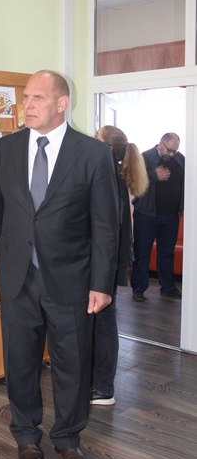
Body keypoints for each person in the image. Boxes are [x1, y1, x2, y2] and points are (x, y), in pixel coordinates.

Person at [0, 70, 119, 459]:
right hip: (17, 277)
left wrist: (102, 284)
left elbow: (106, 226)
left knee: (73, 364)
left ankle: (68, 439)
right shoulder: (6, 148)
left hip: (72, 280)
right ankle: (26, 436)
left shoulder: (92, 154)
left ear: (61, 103)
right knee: (20, 361)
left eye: (38, 97)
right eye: (25, 97)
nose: (28, 105)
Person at [91, 126, 149, 405]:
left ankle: (104, 388)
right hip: (108, 261)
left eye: (95, 137)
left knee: (104, 322)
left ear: (105, 148)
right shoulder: (114, 177)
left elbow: (109, 230)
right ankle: (99, 383)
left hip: (106, 263)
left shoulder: (111, 181)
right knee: (101, 321)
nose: (90, 141)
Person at [130, 133, 185, 302]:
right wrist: (154, 176)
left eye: (175, 151)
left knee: (167, 254)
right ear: (161, 143)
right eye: (169, 150)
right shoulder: (145, 158)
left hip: (171, 216)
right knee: (142, 253)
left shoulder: (180, 159)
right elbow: (133, 182)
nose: (171, 154)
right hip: (146, 215)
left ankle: (167, 287)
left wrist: (182, 208)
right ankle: (138, 289)